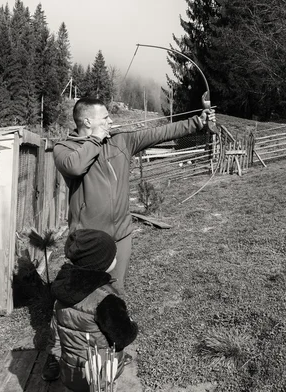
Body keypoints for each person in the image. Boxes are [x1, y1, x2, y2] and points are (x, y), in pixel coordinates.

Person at [42, 97, 216, 381]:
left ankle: (109, 349)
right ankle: (57, 353)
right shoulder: (66, 147)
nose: (111, 121)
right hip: (87, 240)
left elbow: (161, 132)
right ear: (88, 122)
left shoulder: (122, 141)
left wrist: (199, 121)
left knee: (114, 292)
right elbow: (74, 167)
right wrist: (95, 142)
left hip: (120, 234)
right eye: (105, 117)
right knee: (70, 298)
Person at [51, 228, 138, 392]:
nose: (116, 257)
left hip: (70, 371)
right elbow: (123, 336)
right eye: (113, 255)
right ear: (101, 263)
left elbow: (54, 332)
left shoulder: (61, 292)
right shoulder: (105, 301)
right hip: (100, 373)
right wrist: (132, 324)